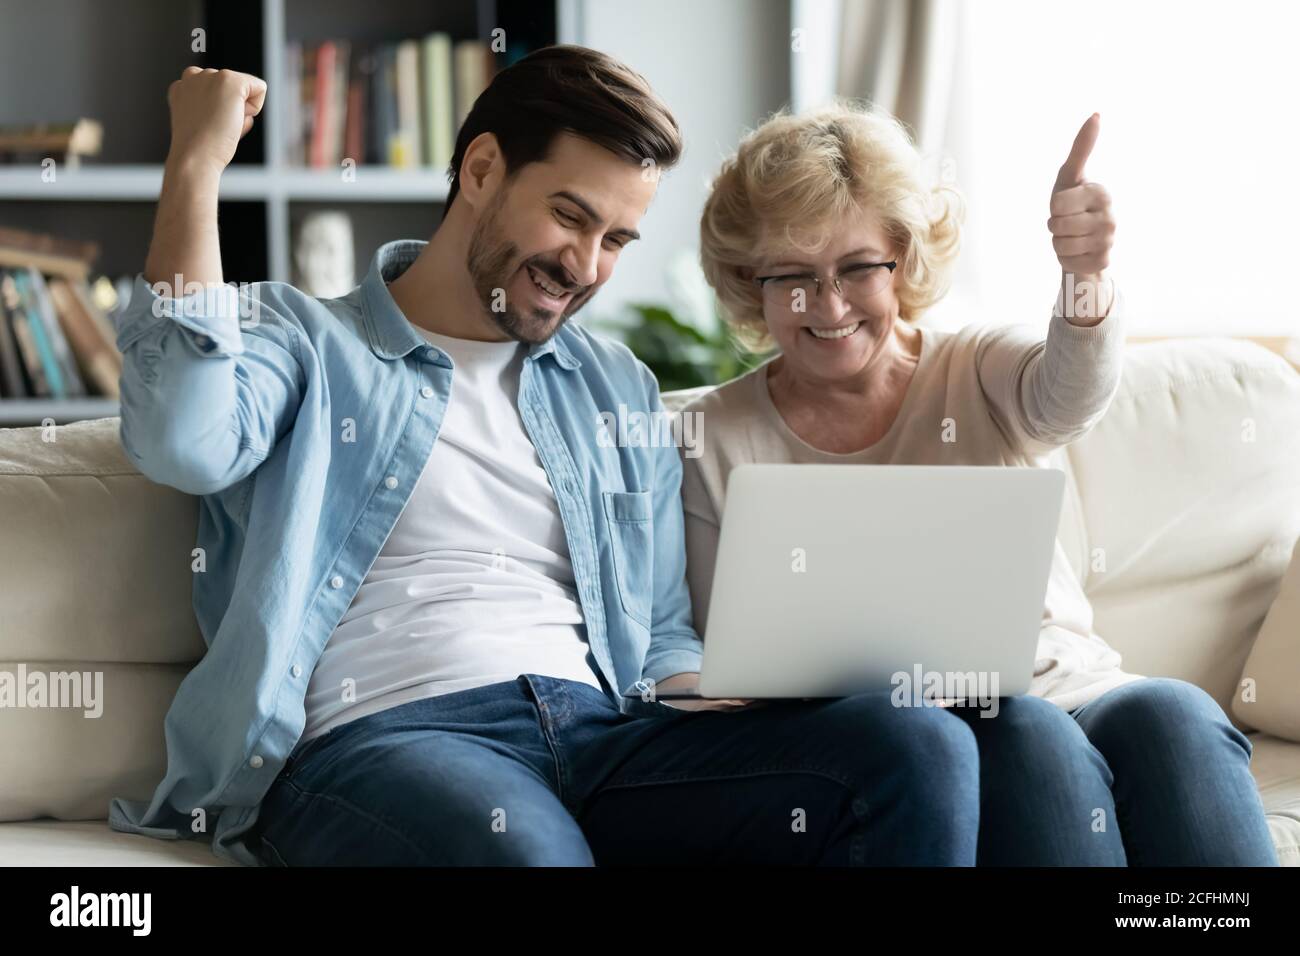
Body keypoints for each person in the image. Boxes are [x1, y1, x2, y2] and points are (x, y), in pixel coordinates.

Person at [109, 47, 983, 866]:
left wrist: (760, 702)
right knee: (528, 855)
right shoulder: (305, 338)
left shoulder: (614, 387)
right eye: (570, 217)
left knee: (916, 745)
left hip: (604, 736)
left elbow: (660, 633)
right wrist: (197, 162)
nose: (586, 266)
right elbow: (185, 440)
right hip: (388, 739)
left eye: (615, 240)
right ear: (483, 170)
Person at [684, 100, 1279, 865]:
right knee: (1023, 735)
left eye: (858, 267)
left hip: (1068, 684)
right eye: (792, 276)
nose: (828, 305)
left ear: (902, 256)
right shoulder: (713, 434)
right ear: (749, 281)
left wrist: (1085, 276)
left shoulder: (975, 364)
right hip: (904, 735)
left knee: (1174, 712)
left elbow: (1068, 396)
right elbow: (728, 651)